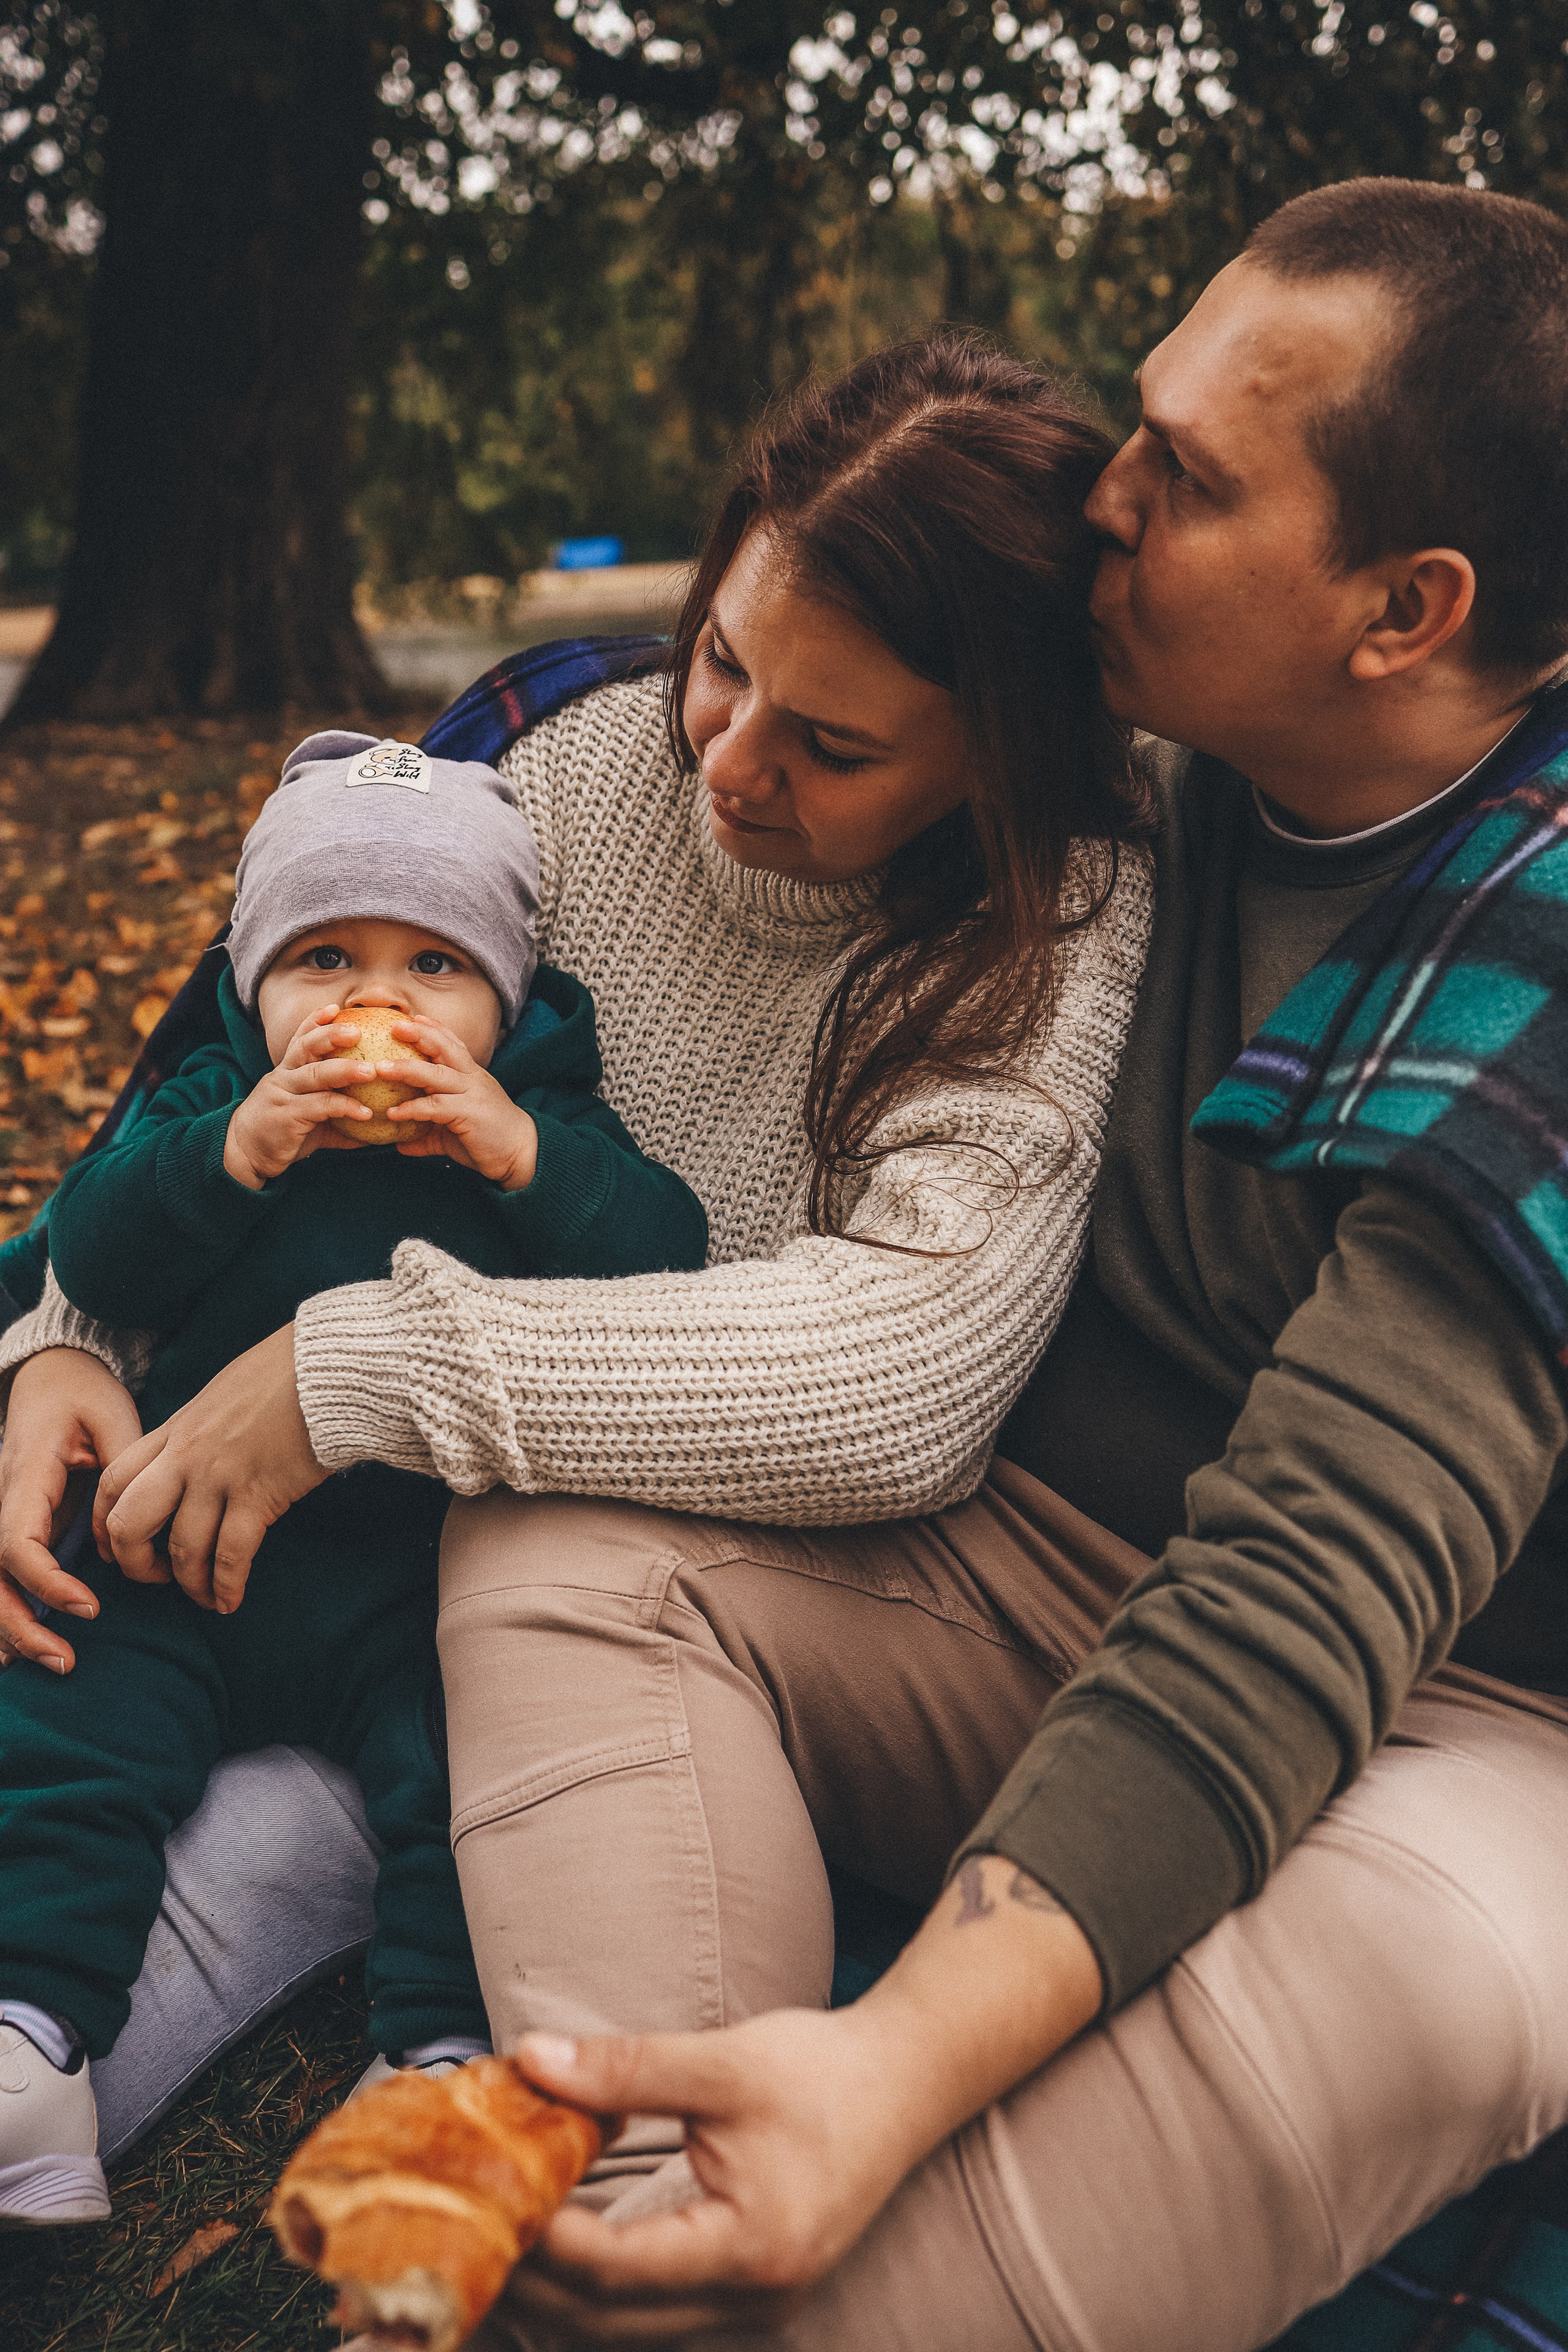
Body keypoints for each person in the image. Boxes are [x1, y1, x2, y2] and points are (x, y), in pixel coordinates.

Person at [0, 339, 1153, 2168]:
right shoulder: (566, 754)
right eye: (722, 659)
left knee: (464, 1673)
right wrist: (64, 1338)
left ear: (996, 756)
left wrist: (357, 1372)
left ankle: (360, 1921)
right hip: (275, 1457)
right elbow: (232, 1040)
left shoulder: (1053, 922)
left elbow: (906, 1367)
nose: (731, 759)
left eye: (831, 743)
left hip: (635, 1531)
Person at [0, 728, 709, 2227]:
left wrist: (524, 1156)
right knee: (64, 1720)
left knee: (471, 1784)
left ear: (507, 999)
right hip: (174, 1556)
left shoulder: (539, 1116)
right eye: (321, 956)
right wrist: (223, 1155)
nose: (374, 1002)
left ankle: (436, 2044)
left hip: (416, 1587)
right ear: (252, 980)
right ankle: (32, 2039)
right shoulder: (214, 1093)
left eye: (432, 966)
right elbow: (93, 1249)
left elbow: (663, 1267)